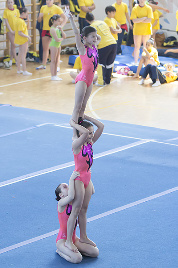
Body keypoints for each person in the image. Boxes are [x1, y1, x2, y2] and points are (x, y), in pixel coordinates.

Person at [64, 114, 104, 252]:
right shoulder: (76, 146)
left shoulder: (89, 143)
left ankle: (83, 236)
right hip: (79, 179)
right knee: (75, 210)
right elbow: (85, 132)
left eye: (92, 133)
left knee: (84, 210)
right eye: (89, 133)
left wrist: (87, 117)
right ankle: (69, 241)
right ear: (81, 133)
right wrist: (73, 124)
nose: (91, 135)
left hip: (87, 177)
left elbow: (102, 126)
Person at [65, 7, 100, 138]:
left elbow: (98, 36)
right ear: (84, 38)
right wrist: (70, 18)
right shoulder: (82, 48)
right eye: (92, 36)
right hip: (83, 79)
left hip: (90, 79)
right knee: (77, 106)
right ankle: (74, 132)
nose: (95, 38)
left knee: (84, 106)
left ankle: (80, 129)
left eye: (95, 36)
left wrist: (93, 35)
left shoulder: (94, 46)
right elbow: (76, 33)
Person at [55, 170, 99, 263]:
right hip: (63, 240)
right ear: (61, 195)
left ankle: (76, 250)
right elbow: (70, 196)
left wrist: (86, 177)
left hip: (74, 239)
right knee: (77, 259)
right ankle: (60, 252)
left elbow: (92, 191)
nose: (69, 187)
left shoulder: (75, 203)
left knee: (95, 252)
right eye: (65, 187)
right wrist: (71, 179)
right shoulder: (61, 203)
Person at [86, 12, 117, 86]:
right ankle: (107, 81)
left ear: (87, 20)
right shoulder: (102, 22)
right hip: (113, 43)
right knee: (110, 63)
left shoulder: (91, 27)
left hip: (103, 45)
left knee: (101, 63)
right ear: (94, 17)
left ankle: (100, 82)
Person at [37, 0, 67, 70]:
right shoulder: (43, 7)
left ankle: (57, 66)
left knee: (56, 48)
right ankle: (43, 64)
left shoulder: (57, 8)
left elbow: (65, 18)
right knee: (45, 48)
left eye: (50, 0)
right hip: (45, 30)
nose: (48, 1)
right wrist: (40, 17)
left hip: (54, 30)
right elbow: (39, 20)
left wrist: (61, 26)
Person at [130, 0, 153, 64]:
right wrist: (144, 18)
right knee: (137, 46)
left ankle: (145, 62)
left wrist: (139, 19)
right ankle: (135, 62)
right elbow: (134, 20)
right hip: (137, 30)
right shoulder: (135, 8)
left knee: (146, 47)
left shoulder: (149, 8)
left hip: (146, 30)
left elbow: (149, 20)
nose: (142, 0)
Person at [14, 7, 32, 75]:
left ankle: (19, 69)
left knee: (20, 55)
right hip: (23, 40)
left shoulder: (19, 20)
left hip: (21, 40)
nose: (27, 15)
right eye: (27, 14)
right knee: (23, 55)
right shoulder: (20, 21)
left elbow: (27, 28)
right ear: (23, 13)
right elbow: (20, 32)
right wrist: (27, 36)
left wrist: (28, 21)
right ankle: (24, 71)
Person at [49, 14, 66, 81]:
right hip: (54, 45)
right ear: (54, 21)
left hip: (58, 45)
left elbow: (64, 36)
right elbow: (57, 39)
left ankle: (55, 75)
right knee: (53, 60)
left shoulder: (58, 28)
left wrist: (61, 30)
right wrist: (62, 38)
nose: (60, 22)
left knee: (56, 61)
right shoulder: (52, 29)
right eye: (58, 21)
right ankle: (52, 75)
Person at [3, 0, 20, 68]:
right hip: (10, 30)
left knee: (12, 46)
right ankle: (16, 61)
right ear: (7, 3)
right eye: (9, 2)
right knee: (13, 44)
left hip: (16, 30)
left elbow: (18, 20)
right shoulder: (6, 11)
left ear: (13, 3)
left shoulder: (16, 11)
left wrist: (17, 29)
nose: (10, 4)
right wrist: (10, 30)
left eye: (11, 2)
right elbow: (6, 22)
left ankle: (10, 60)